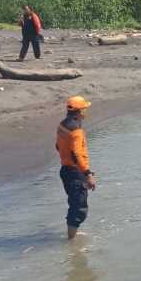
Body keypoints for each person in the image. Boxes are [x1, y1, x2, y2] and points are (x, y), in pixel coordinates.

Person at [56, 96, 96, 240]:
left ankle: (71, 232)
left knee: (73, 203)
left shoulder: (62, 125)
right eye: (85, 109)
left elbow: (58, 146)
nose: (86, 112)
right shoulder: (77, 131)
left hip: (65, 171)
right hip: (75, 172)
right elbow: (77, 154)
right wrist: (88, 174)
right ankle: (71, 241)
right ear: (80, 112)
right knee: (79, 208)